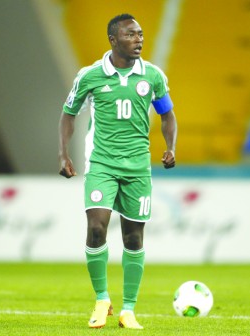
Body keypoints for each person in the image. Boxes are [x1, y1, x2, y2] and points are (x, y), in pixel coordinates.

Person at [58, 13, 177, 330]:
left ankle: (128, 310)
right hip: (102, 164)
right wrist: (63, 154)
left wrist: (170, 146)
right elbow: (68, 114)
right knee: (96, 228)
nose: (138, 39)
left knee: (133, 237)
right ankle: (101, 299)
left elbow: (167, 115)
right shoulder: (90, 76)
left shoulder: (152, 76)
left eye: (140, 34)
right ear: (113, 39)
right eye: (130, 34)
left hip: (138, 167)